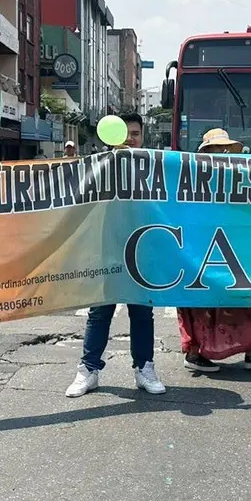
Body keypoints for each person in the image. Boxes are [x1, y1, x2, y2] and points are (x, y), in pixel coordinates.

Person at [66, 112, 166, 398]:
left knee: (142, 312)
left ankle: (144, 368)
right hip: (105, 249)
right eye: (125, 134)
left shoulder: (154, 167)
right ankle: (88, 370)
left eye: (135, 134)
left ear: (142, 136)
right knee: (99, 312)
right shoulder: (97, 167)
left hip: (141, 250)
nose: (130, 139)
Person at [178, 128, 251, 373]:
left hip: (235, 250)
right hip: (203, 250)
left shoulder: (240, 177)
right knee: (201, 304)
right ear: (207, 152)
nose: (223, 153)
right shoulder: (193, 178)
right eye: (217, 149)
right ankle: (194, 354)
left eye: (226, 149)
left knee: (243, 298)